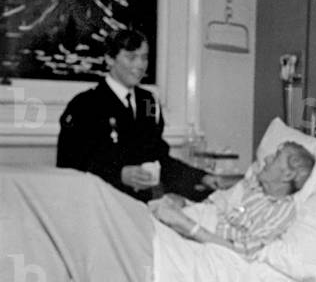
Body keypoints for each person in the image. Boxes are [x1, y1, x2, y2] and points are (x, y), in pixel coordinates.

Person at [57, 29, 224, 202]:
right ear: (109, 59)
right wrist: (119, 174)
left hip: (141, 206)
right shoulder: (85, 105)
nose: (140, 65)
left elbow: (160, 159)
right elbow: (71, 165)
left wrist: (200, 177)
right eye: (131, 57)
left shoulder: (148, 102)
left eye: (144, 57)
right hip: (100, 207)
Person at [150, 141, 314, 256]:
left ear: (288, 174)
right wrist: (183, 204)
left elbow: (245, 251)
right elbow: (213, 205)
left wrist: (188, 226)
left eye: (276, 156)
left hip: (199, 240)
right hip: (185, 222)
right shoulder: (252, 186)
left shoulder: (281, 210)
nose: (266, 158)